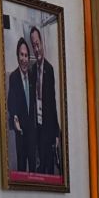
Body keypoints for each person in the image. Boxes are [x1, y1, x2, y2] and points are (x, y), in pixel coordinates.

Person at [27, 23, 62, 175]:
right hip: (37, 126)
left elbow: (53, 102)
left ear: (42, 43)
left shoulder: (49, 69)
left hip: (48, 126)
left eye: (37, 44)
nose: (36, 49)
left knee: (50, 167)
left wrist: (56, 133)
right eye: (33, 46)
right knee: (40, 166)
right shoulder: (32, 70)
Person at [5, 37, 36, 174]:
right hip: (21, 132)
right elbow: (11, 102)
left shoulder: (32, 76)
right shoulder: (13, 77)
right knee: (22, 167)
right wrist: (15, 118)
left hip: (32, 133)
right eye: (21, 55)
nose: (24, 59)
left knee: (34, 169)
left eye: (26, 55)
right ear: (17, 56)